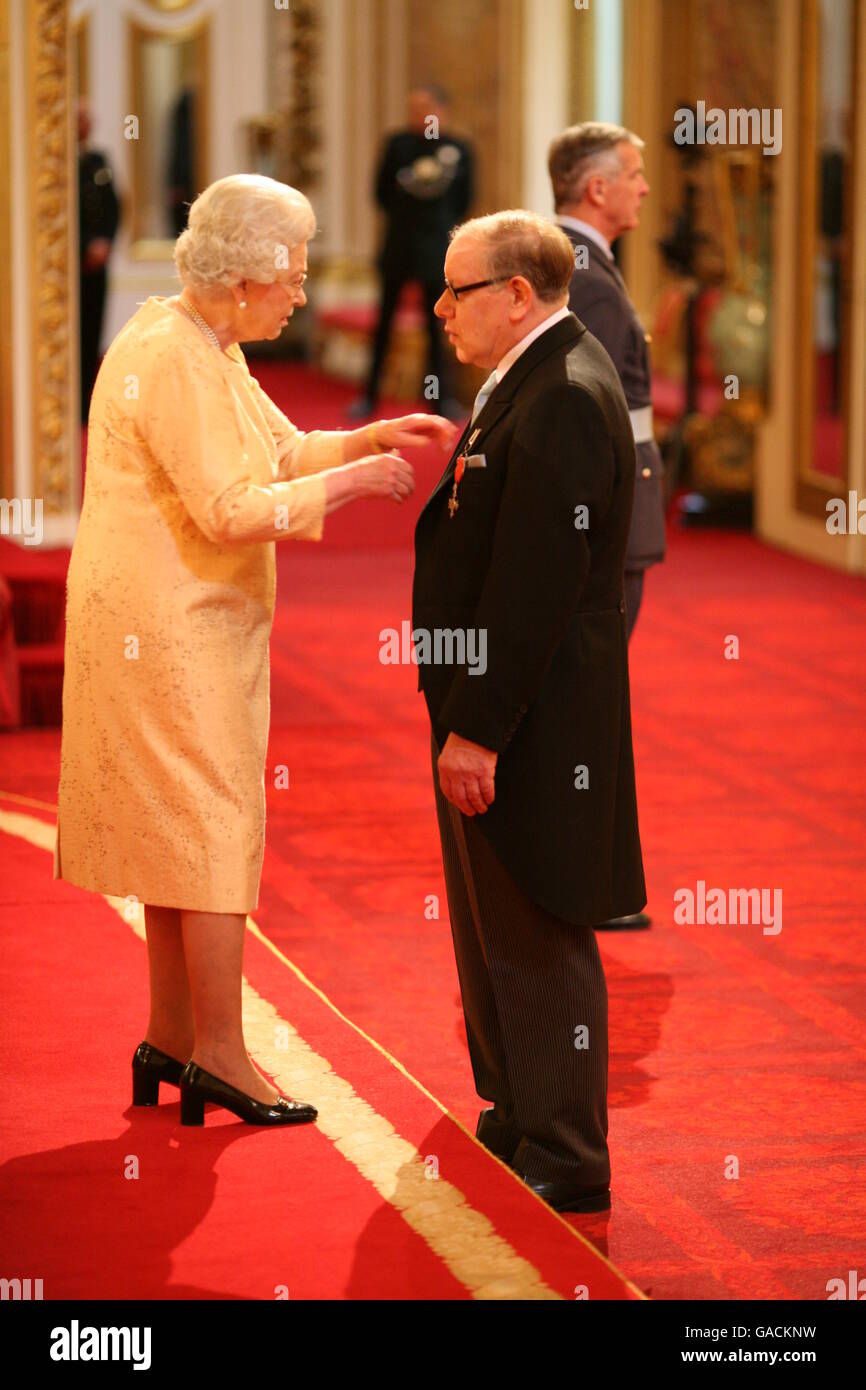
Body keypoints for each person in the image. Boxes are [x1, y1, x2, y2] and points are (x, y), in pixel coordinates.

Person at [54, 174, 455, 1128]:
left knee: (175, 829)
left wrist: (366, 434)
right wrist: (360, 482)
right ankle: (222, 1055)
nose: (305, 294)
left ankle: (175, 1036)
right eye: (296, 275)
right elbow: (230, 510)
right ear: (246, 277)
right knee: (212, 824)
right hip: (167, 625)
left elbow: (273, 453)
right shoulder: (179, 354)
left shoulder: (200, 339)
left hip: (178, 616)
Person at [413, 211, 646, 1212]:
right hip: (497, 700)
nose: (437, 308)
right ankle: (514, 1108)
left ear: (515, 295)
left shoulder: (556, 391)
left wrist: (478, 725)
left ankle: (566, 1149)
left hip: (532, 718)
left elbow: (531, 588)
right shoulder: (530, 373)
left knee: (536, 920)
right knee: (488, 919)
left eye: (455, 290)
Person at [549, 121, 666, 932]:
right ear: (596, 188)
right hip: (611, 523)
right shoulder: (584, 272)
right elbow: (588, 421)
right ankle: (574, 885)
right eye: (632, 174)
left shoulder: (582, 262)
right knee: (584, 707)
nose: (643, 188)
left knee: (588, 701)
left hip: (616, 517)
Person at [349, 84, 474, 420]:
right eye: (413, 107)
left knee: (437, 329)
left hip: (436, 253)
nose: (418, 114)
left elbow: (463, 202)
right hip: (399, 248)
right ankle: (370, 396)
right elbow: (380, 194)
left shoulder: (459, 149)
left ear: (442, 111)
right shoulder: (398, 145)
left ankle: (439, 399)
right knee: (384, 326)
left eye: (424, 107)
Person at [78, 98, 120, 423]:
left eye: (88, 118)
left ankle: (87, 403)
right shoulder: (55, 163)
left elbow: (112, 207)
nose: (86, 123)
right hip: (69, 267)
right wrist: (81, 248)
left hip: (98, 265)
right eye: (80, 118)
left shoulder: (98, 161)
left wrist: (104, 243)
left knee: (93, 332)